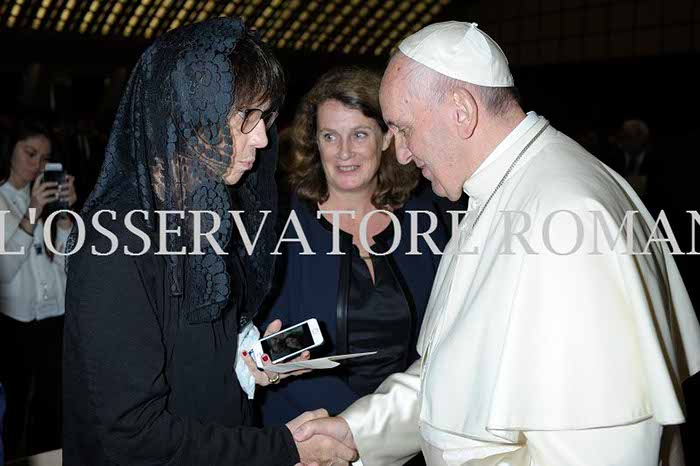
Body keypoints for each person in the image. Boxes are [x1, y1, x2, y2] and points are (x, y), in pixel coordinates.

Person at [293, 21, 700, 466]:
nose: (402, 153)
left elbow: (591, 450)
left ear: (461, 112)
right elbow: (453, 380)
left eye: (404, 129)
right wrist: (355, 431)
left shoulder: (569, 216)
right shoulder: (501, 187)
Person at [63, 18, 355, 466]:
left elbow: (193, 364)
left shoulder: (212, 215)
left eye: (266, 119)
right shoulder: (113, 243)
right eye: (246, 118)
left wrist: (246, 358)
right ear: (190, 113)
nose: (260, 139)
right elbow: (133, 437)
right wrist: (283, 448)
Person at [259, 67, 448, 442]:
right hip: (309, 436)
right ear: (315, 142)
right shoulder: (279, 224)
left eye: (360, 134)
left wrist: (387, 427)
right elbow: (269, 348)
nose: (344, 152)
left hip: (407, 433)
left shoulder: (423, 221)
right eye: (330, 136)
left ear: (386, 138)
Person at [0, 119, 77, 459]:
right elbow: (4, 271)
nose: (37, 165)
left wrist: (63, 217)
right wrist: (32, 213)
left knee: (55, 408)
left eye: (45, 159)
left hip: (55, 317)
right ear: (9, 152)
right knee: (17, 412)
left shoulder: (42, 197)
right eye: (30, 153)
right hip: (17, 325)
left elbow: (66, 266)